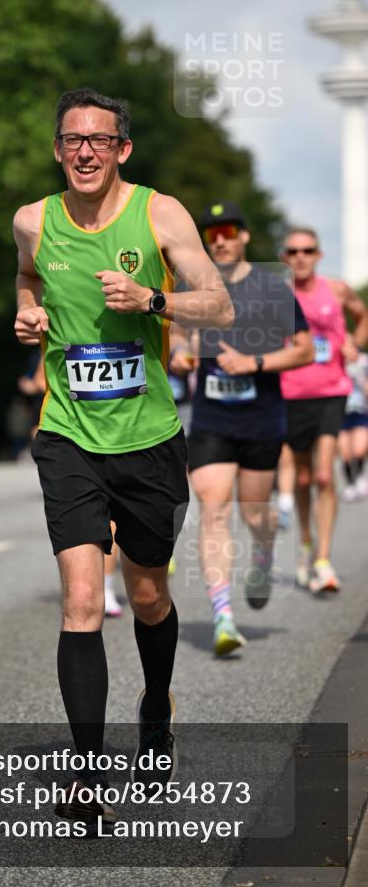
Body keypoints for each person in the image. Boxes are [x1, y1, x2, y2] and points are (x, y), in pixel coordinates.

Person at [13, 88, 234, 818]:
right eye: (71, 140)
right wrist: (26, 307)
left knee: (146, 595)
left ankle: (155, 709)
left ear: (121, 150)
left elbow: (219, 303)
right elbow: (26, 275)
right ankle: (84, 775)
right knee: (82, 602)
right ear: (56, 148)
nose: (84, 151)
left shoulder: (158, 213)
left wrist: (153, 301)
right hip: (68, 432)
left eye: (98, 141)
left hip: (147, 439)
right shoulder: (31, 222)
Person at [171, 203, 313, 656]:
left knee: (254, 515)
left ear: (244, 236)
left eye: (228, 230)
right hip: (212, 417)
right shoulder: (195, 286)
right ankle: (223, 617)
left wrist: (254, 362)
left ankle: (265, 552)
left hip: (261, 417)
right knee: (213, 508)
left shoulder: (272, 288)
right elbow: (173, 332)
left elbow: (306, 350)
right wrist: (179, 350)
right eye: (211, 233)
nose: (220, 239)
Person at [280, 228, 368, 592]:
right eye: (294, 251)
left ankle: (324, 559)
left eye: (308, 250)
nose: (301, 256)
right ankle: (305, 542)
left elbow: (362, 317)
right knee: (301, 479)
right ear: (285, 257)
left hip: (332, 390)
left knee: (325, 476)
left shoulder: (337, 289)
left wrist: (355, 347)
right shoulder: (279, 294)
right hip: (291, 392)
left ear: (319, 254)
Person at [338, 351, 368, 501]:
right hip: (340, 413)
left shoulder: (363, 361)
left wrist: (361, 380)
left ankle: (360, 475)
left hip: (360, 412)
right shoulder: (335, 361)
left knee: (359, 450)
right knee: (345, 454)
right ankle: (351, 483)